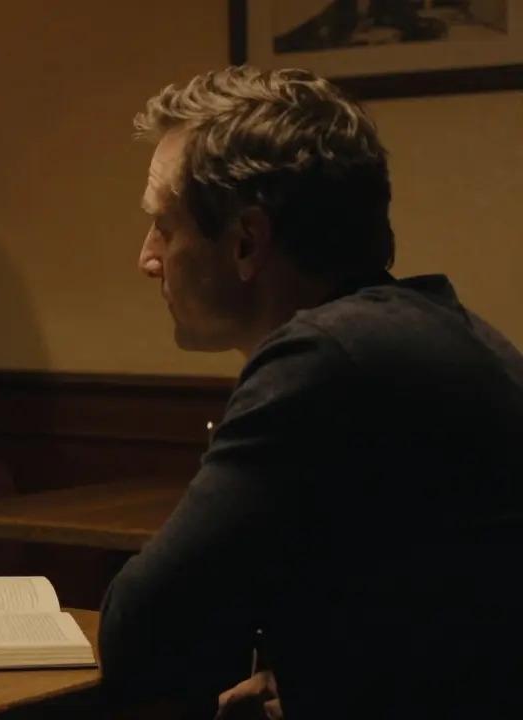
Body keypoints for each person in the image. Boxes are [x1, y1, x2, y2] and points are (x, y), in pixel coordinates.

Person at [96, 66, 523, 719]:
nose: (147, 257)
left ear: (246, 242)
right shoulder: (430, 330)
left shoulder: (324, 361)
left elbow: (140, 634)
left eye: (165, 225)